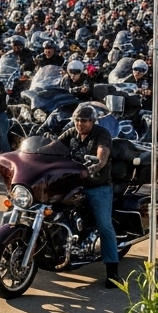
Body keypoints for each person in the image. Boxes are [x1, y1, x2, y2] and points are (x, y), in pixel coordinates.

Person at [57, 104, 120, 286]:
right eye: (77, 120)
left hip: (96, 185)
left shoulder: (102, 134)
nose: (79, 124)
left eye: (84, 121)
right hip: (72, 183)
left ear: (92, 121)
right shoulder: (71, 133)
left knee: (104, 224)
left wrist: (97, 164)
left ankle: (112, 272)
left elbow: (103, 153)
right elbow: (54, 146)